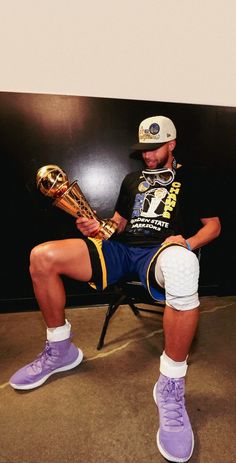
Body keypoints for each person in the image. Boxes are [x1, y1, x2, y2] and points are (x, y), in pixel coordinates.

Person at [9, 115, 221, 463]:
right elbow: (117, 225)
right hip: (122, 250)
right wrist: (96, 225)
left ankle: (170, 386)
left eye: (154, 149)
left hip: (161, 251)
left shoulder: (193, 178)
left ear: (172, 144)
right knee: (42, 257)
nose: (148, 157)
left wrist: (188, 242)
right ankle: (60, 350)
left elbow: (214, 226)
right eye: (143, 150)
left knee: (185, 265)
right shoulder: (131, 179)